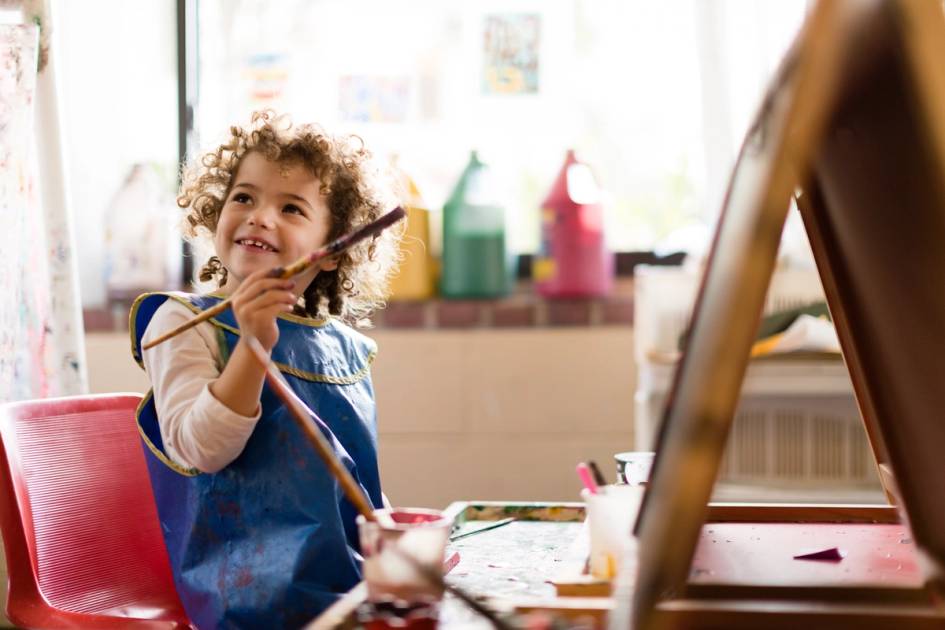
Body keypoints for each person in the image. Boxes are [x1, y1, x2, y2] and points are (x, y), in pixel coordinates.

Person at [129, 110, 399, 629]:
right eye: (244, 197)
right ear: (217, 210)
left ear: (332, 253)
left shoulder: (343, 349)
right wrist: (253, 345)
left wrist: (397, 531)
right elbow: (201, 450)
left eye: (292, 207)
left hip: (349, 592)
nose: (259, 216)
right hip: (249, 603)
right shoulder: (183, 322)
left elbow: (354, 480)